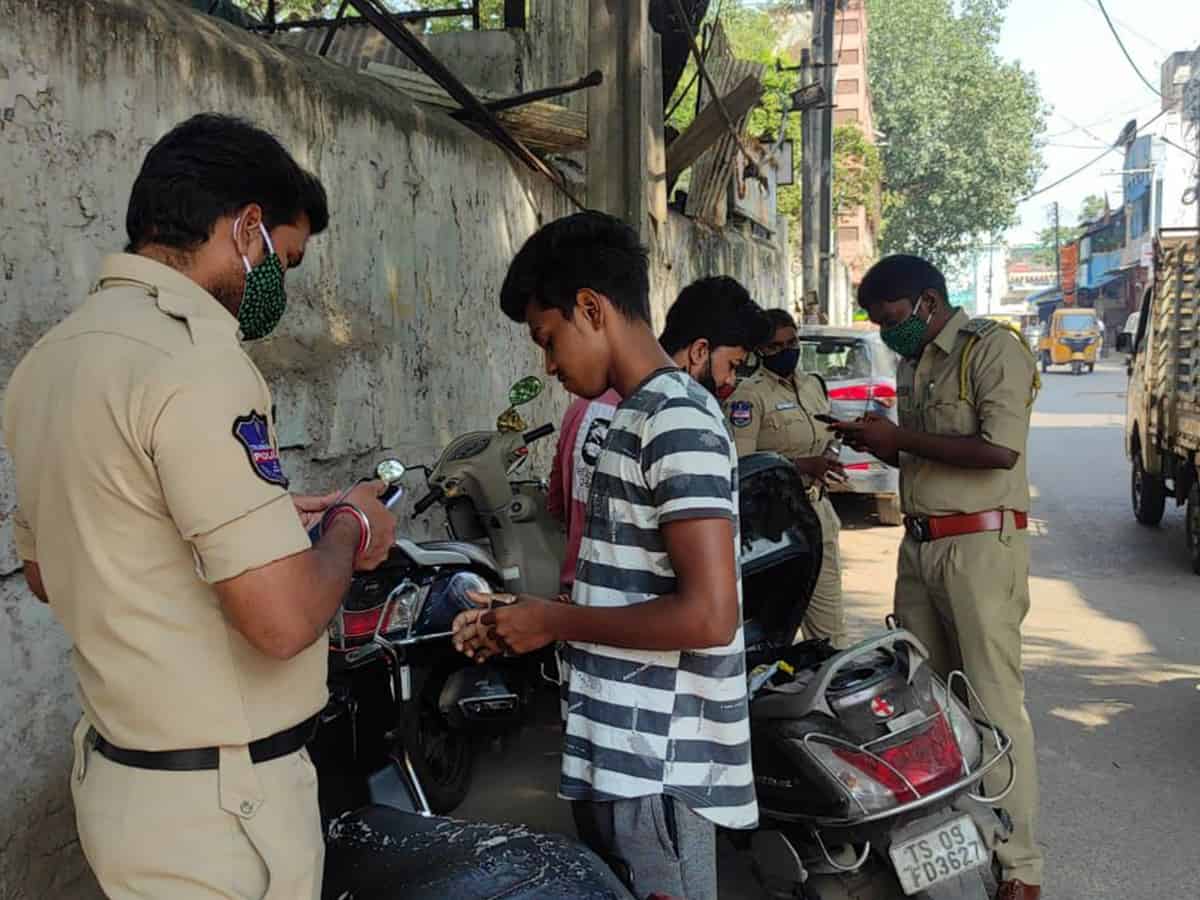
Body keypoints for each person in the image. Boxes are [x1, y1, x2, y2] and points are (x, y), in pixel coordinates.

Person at [3, 114, 397, 900]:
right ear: (247, 229)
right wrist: (351, 524)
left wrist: (271, 525)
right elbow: (283, 621)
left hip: (124, 793)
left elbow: (53, 569)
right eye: (284, 261)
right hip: (220, 812)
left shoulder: (51, 360)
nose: (279, 285)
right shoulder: (198, 360)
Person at [452, 212, 757, 900]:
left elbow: (709, 616)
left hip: (662, 767)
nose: (549, 364)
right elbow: (638, 589)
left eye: (549, 339)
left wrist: (555, 623)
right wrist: (525, 619)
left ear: (592, 308)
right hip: (626, 756)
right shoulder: (635, 417)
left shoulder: (674, 417)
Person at [833, 255, 1042, 900]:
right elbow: (921, 445)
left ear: (927, 300)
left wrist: (904, 440)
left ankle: (1019, 866)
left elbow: (997, 450)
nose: (883, 329)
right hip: (920, 548)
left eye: (888, 317)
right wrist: (884, 443)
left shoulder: (991, 351)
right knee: (922, 703)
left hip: (979, 547)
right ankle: (946, 841)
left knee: (992, 706)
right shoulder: (913, 358)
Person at [723, 308, 848, 649]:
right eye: (776, 346)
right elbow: (742, 468)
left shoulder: (812, 386)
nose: (787, 351)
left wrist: (834, 450)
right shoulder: (749, 396)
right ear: (760, 351)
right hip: (776, 527)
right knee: (772, 633)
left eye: (792, 342)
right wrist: (802, 465)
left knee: (830, 631)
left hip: (818, 514)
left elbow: (827, 437)